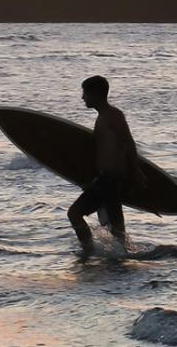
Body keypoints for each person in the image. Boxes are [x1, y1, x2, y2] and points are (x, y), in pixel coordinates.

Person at [68, 75, 144, 256]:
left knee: (74, 213)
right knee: (117, 225)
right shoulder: (103, 117)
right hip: (107, 178)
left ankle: (88, 251)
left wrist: (136, 171)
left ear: (96, 94)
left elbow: (128, 142)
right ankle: (122, 256)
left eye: (85, 93)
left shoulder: (113, 116)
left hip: (111, 178)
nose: (83, 97)